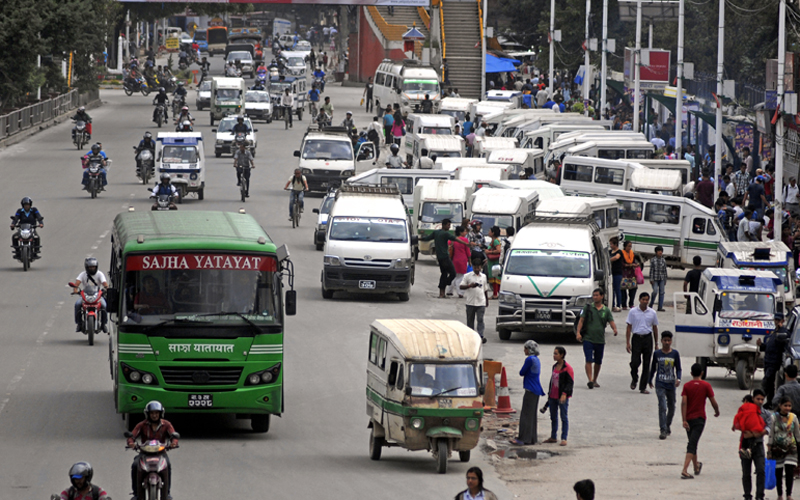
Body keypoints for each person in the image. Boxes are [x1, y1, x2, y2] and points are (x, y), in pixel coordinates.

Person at [127, 401, 179, 500]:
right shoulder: (141, 425)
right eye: (152, 413)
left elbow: (174, 435)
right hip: (144, 453)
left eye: (156, 413)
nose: (154, 415)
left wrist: (174, 443)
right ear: (148, 414)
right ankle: (136, 493)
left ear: (160, 413)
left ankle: (167, 493)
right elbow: (132, 436)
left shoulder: (166, 424)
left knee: (168, 465)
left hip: (161, 453)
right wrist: (131, 443)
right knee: (135, 465)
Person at [680, 363, 720, 479]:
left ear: (691, 373)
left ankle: (696, 466)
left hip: (689, 419)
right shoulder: (706, 385)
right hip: (700, 419)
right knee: (692, 444)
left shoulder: (687, 386)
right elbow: (713, 401)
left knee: (693, 442)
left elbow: (683, 402)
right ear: (702, 373)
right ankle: (685, 469)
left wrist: (684, 419)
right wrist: (717, 411)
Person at [575, 288, 618, 389]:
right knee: (588, 359)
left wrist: (614, 329)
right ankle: (590, 380)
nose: (595, 297)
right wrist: (578, 333)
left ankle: (595, 379)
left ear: (602, 296)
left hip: (600, 340)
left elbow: (611, 321)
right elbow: (581, 321)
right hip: (588, 338)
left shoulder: (606, 310)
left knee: (598, 361)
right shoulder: (588, 308)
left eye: (597, 295)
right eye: (594, 295)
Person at [421, 218, 471, 298]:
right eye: (448, 225)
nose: (449, 227)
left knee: (444, 274)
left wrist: (418, 239)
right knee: (453, 273)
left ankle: (442, 293)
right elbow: (456, 239)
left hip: (439, 258)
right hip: (445, 257)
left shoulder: (436, 232)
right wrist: (466, 243)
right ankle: (445, 284)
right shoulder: (445, 234)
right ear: (443, 225)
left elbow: (426, 238)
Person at [511, 340, 546, 446]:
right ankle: (531, 438)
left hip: (530, 389)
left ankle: (523, 439)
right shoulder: (536, 359)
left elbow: (522, 372)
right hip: (536, 390)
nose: (524, 350)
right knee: (532, 415)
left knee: (525, 415)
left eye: (525, 348)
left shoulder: (529, 359)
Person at [649, 331, 682, 439]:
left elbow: (678, 368)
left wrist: (679, 379)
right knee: (662, 406)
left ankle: (667, 425)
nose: (667, 342)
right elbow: (653, 368)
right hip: (660, 383)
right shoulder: (657, 354)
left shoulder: (675, 354)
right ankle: (663, 429)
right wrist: (649, 380)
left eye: (669, 340)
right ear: (661, 341)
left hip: (671, 384)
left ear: (671, 341)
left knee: (671, 406)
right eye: (665, 340)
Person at [737, 389, 770, 500]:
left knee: (761, 470)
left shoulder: (766, 413)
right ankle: (747, 495)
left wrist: (761, 432)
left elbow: (769, 426)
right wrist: (750, 432)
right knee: (746, 472)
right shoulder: (745, 410)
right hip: (745, 444)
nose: (760, 401)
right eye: (758, 399)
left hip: (759, 444)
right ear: (753, 399)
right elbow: (739, 423)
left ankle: (760, 496)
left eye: (762, 399)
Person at [626, 292, 659, 394]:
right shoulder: (633, 312)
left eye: (647, 300)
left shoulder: (652, 313)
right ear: (639, 300)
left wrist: (656, 342)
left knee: (646, 363)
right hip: (636, 338)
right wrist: (627, 342)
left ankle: (643, 386)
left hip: (647, 339)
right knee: (635, 362)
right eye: (643, 299)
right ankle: (634, 378)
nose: (645, 302)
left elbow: (655, 328)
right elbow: (629, 327)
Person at [769, 396, 800, 498]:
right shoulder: (774, 417)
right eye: (785, 405)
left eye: (789, 406)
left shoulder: (794, 417)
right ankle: (780, 495)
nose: (787, 408)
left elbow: (797, 434)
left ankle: (789, 495)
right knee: (778, 472)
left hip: (791, 448)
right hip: (777, 449)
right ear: (780, 406)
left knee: (790, 471)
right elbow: (771, 434)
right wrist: (769, 450)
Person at [544, 346, 573, 446]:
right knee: (553, 417)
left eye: (556, 353)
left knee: (563, 417)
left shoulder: (567, 368)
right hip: (553, 395)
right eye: (554, 353)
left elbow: (570, 383)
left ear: (562, 355)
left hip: (562, 396)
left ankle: (564, 437)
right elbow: (552, 381)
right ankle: (553, 436)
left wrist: (564, 393)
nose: (554, 355)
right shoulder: (554, 366)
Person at [760, 314, 789, 407]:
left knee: (766, 381)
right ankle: (770, 402)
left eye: (778, 320)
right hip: (768, 360)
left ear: (782, 321)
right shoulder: (774, 332)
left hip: (774, 361)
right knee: (770, 382)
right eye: (775, 320)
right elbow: (769, 346)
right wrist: (761, 345)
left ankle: (759, 399)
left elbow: (781, 344)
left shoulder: (784, 332)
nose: (776, 321)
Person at [73, 257, 108, 333]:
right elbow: (77, 284)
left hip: (97, 296)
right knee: (77, 304)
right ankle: (79, 324)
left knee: (104, 306)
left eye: (93, 267)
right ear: (86, 267)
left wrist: (106, 289)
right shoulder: (82, 274)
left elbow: (105, 284)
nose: (92, 269)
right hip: (85, 296)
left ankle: (103, 324)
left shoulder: (100, 274)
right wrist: (75, 290)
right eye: (90, 267)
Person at [461, 258, 489, 343]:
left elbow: (485, 289)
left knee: (480, 319)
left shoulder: (483, 277)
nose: (477, 269)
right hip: (470, 302)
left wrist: (487, 300)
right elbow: (461, 286)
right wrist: (469, 286)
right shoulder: (467, 276)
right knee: (470, 320)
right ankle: (471, 335)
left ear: (481, 267)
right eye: (475, 267)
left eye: (478, 267)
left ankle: (480, 336)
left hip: (481, 302)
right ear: (472, 267)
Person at [447, 225, 471, 298]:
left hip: (454, 260)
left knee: (454, 275)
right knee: (461, 277)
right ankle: (460, 292)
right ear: (461, 232)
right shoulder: (465, 240)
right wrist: (470, 260)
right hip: (463, 260)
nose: (466, 232)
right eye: (465, 231)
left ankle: (449, 290)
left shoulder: (452, 240)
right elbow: (468, 251)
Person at [621, 240, 642, 309]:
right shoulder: (621, 253)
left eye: (631, 246)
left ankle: (631, 303)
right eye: (628, 246)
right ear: (625, 246)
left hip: (631, 274)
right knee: (623, 289)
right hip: (624, 274)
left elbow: (633, 261)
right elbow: (622, 264)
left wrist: (635, 265)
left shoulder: (632, 253)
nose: (630, 248)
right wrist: (630, 265)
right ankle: (624, 304)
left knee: (633, 289)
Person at [485, 226, 503, 299]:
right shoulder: (493, 240)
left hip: (494, 262)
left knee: (495, 277)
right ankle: (497, 293)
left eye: (490, 231)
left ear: (493, 233)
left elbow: (498, 250)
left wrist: (489, 252)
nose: (488, 232)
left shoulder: (495, 241)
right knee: (494, 277)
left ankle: (495, 294)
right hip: (491, 262)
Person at [649, 245, 668, 312]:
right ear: (656, 252)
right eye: (659, 251)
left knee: (662, 292)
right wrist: (651, 279)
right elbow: (651, 270)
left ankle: (660, 307)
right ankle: (651, 303)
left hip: (662, 278)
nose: (660, 252)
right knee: (655, 291)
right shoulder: (653, 260)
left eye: (661, 251)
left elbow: (665, 270)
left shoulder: (663, 260)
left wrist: (665, 279)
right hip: (655, 278)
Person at [609, 237, 623, 312]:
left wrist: (609, 260)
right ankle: (612, 304)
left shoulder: (619, 252)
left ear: (615, 244)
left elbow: (616, 257)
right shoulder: (610, 252)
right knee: (612, 289)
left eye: (611, 244)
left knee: (617, 289)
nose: (610, 245)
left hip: (617, 273)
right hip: (611, 273)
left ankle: (618, 305)